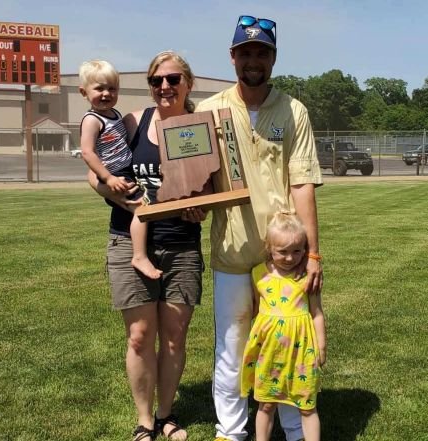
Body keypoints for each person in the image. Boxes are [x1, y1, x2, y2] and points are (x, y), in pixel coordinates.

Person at [196, 14, 324, 441]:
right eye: (246, 52)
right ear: (233, 57)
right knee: (233, 347)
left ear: (273, 58)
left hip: (284, 255)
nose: (254, 60)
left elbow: (303, 182)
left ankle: (291, 428)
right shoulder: (209, 110)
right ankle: (231, 432)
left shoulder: (293, 110)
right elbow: (195, 178)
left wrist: (313, 254)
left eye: (262, 53)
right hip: (233, 251)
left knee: (289, 344)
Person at [88, 51, 204, 441]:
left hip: (181, 243)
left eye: (173, 79)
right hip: (127, 239)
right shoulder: (133, 122)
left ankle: (166, 415)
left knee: (174, 335)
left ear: (188, 82)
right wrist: (120, 198)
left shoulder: (199, 125)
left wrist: (200, 207)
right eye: (157, 81)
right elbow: (94, 174)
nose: (164, 87)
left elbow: (211, 185)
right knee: (139, 335)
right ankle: (144, 421)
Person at [241, 212, 326, 441]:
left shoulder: (307, 276)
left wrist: (321, 346)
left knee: (307, 404)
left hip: (302, 352)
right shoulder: (259, 274)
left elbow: (317, 313)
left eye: (297, 251)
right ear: (269, 248)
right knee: (266, 403)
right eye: (283, 252)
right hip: (270, 352)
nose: (290, 258)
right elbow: (258, 312)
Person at [79, 59, 162, 280]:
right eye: (99, 88)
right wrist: (108, 178)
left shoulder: (114, 114)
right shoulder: (91, 120)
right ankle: (139, 256)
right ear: (83, 92)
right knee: (142, 208)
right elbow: (88, 153)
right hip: (114, 174)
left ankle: (140, 253)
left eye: (112, 88)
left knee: (145, 204)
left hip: (125, 170)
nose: (106, 93)